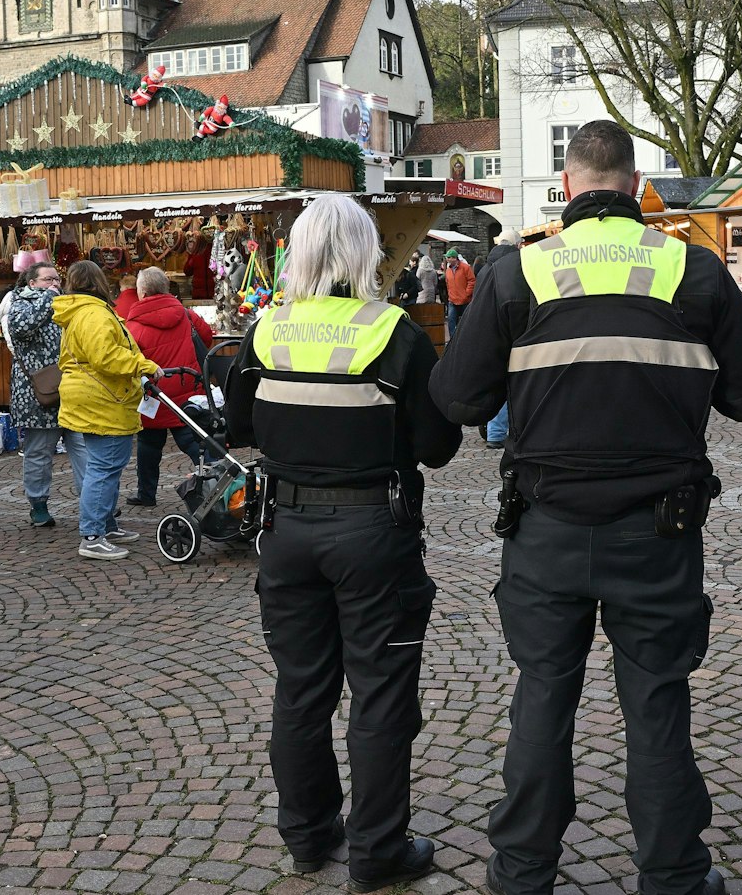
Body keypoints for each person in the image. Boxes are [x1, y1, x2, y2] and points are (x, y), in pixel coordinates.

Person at [429, 119, 742, 895]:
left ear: (567, 188)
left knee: (541, 697)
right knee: (657, 704)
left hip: (545, 529)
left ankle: (523, 869)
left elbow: (457, 397)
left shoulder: (518, 272)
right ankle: (673, 873)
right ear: (635, 186)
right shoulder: (690, 271)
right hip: (658, 532)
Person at [224, 194, 461, 893]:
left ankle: (306, 836)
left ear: (297, 253)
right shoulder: (393, 332)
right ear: (366, 253)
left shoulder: (266, 331)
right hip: (372, 533)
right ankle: (377, 850)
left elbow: (240, 426)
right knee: (381, 695)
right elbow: (439, 446)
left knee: (300, 690)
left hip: (287, 530)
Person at [49, 260, 155, 560]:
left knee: (107, 465)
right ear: (98, 282)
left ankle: (104, 524)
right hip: (102, 397)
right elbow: (105, 356)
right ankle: (93, 534)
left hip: (98, 396)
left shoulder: (85, 311)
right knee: (104, 466)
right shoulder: (93, 313)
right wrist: (144, 366)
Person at [122, 266, 215, 508]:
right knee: (194, 441)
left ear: (141, 292)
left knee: (148, 445)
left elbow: (130, 359)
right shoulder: (185, 314)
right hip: (187, 387)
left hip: (155, 393)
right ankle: (220, 482)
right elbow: (206, 336)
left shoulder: (132, 325)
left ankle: (146, 493)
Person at [4, 261, 67, 528]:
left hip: (71, 388)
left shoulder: (66, 304)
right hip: (37, 393)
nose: (55, 284)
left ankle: (98, 503)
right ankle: (38, 504)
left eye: (57, 279)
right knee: (39, 453)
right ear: (32, 283)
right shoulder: (19, 304)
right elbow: (22, 328)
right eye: (47, 279)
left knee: (84, 450)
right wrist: (49, 299)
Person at [481, 229, 519, 450]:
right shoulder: (516, 266)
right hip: (512, 331)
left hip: (489, 330)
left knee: (494, 380)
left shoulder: (486, 266)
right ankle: (497, 432)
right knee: (510, 382)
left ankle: (493, 430)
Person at [440, 247, 476, 338]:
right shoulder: (448, 270)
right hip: (452, 300)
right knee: (451, 321)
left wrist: (466, 293)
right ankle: (453, 341)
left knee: (466, 322)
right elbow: (448, 283)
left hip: (465, 300)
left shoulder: (466, 268)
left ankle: (467, 338)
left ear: (454, 258)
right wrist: (450, 295)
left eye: (448, 257)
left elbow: (472, 281)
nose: (447, 259)